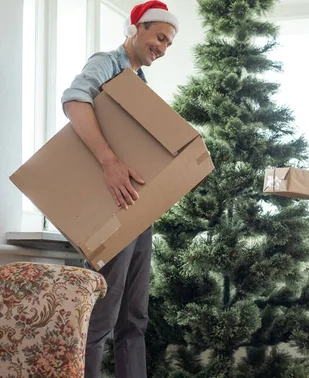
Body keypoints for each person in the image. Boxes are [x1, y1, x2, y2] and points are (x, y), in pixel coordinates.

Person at [60, 1, 178, 376]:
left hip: (138, 209)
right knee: (101, 314)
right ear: (137, 29)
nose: (162, 47)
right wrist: (110, 163)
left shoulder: (139, 83)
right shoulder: (106, 63)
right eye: (159, 36)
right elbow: (74, 100)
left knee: (134, 317)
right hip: (110, 204)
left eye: (168, 43)